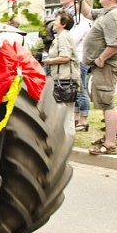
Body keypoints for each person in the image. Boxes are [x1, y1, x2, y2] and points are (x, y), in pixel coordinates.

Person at [81, 0, 117, 155]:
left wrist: (101, 58)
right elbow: (88, 13)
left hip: (106, 65)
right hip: (102, 65)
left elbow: (115, 43)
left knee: (108, 103)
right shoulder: (106, 12)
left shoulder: (114, 15)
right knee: (104, 101)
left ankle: (110, 144)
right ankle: (108, 136)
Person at [59, 0, 93, 131]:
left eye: (78, 3)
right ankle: (77, 117)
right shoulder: (79, 20)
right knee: (77, 88)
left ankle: (84, 120)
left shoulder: (83, 22)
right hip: (76, 58)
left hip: (79, 58)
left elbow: (73, 39)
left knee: (81, 88)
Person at [43, 10, 80, 138]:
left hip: (65, 80)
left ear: (63, 24)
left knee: (66, 113)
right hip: (61, 79)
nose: (54, 22)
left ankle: (68, 141)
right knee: (62, 112)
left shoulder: (63, 36)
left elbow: (65, 57)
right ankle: (63, 139)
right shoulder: (60, 36)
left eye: (56, 19)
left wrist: (49, 60)